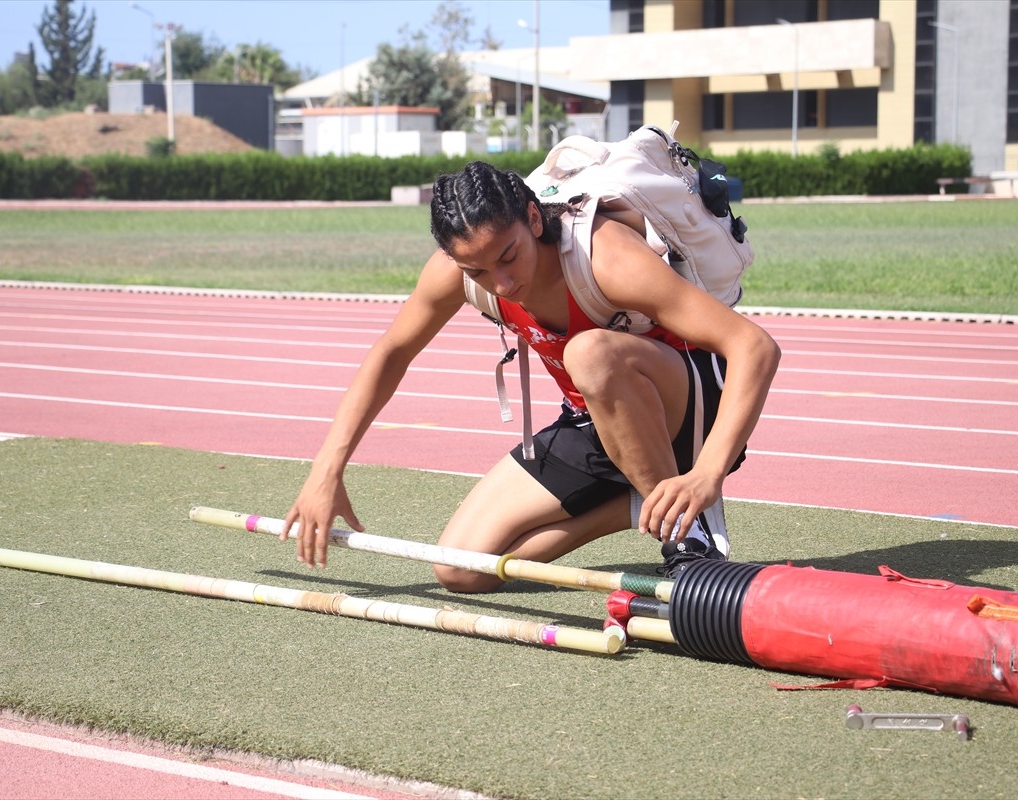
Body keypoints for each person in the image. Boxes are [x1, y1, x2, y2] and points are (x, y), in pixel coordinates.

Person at [283, 160, 780, 592]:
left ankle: (688, 540)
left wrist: (707, 474)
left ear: (534, 218)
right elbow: (391, 353)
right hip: (595, 420)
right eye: (476, 272)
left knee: (589, 353)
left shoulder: (605, 256)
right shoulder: (457, 271)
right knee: (460, 570)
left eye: (508, 257)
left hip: (690, 412)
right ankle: (640, 503)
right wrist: (326, 471)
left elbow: (754, 346)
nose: (501, 284)